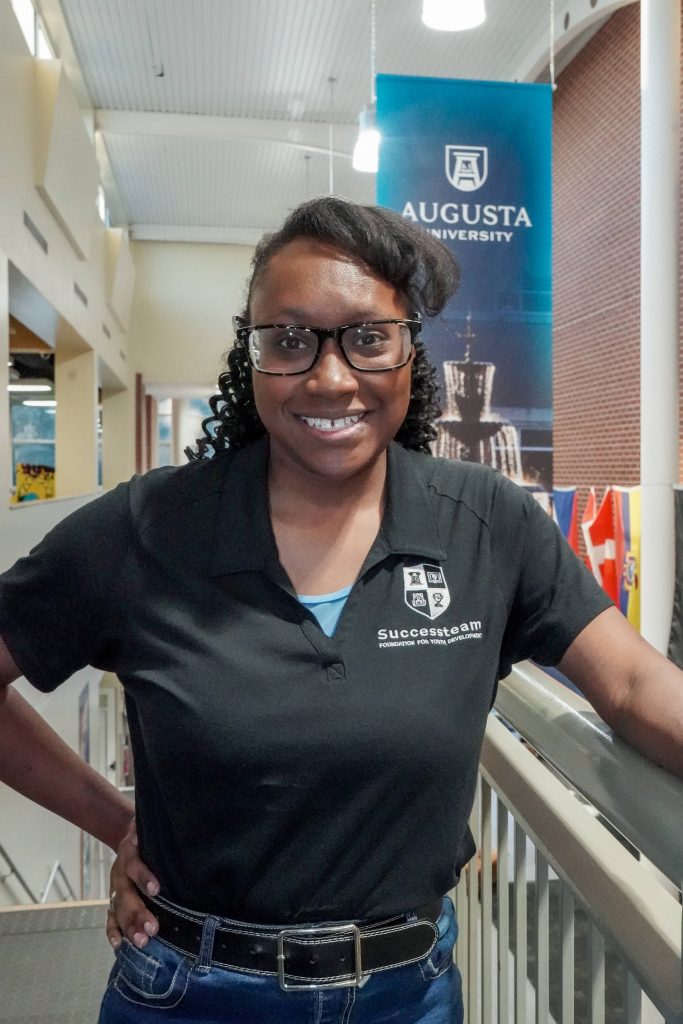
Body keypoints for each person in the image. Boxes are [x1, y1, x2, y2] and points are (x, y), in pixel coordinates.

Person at [0, 196, 682, 1024]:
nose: (329, 377)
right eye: (288, 341)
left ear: (408, 353)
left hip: (408, 995)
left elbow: (633, 684)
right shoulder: (148, 528)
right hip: (191, 992)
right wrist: (115, 824)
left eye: (367, 337)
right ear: (248, 358)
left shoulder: (484, 525)